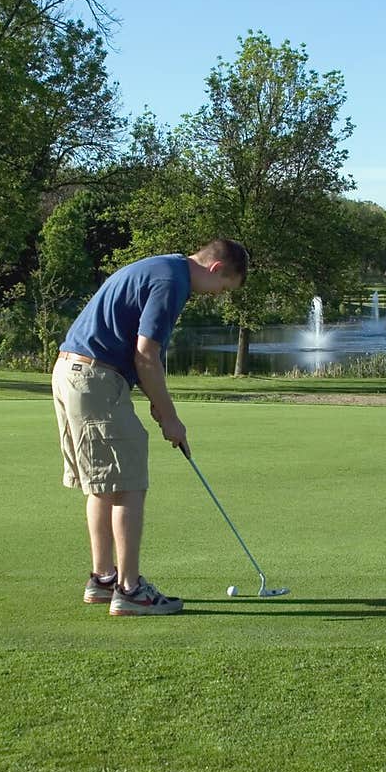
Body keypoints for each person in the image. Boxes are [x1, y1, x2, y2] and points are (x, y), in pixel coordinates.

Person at [51, 239, 249, 616]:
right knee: (127, 485)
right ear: (215, 268)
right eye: (222, 288)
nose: (217, 296)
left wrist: (158, 404)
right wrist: (169, 415)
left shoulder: (161, 266)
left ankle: (103, 579)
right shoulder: (173, 281)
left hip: (72, 373)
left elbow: (138, 355)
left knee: (104, 485)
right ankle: (130, 589)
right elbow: (146, 354)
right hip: (95, 378)